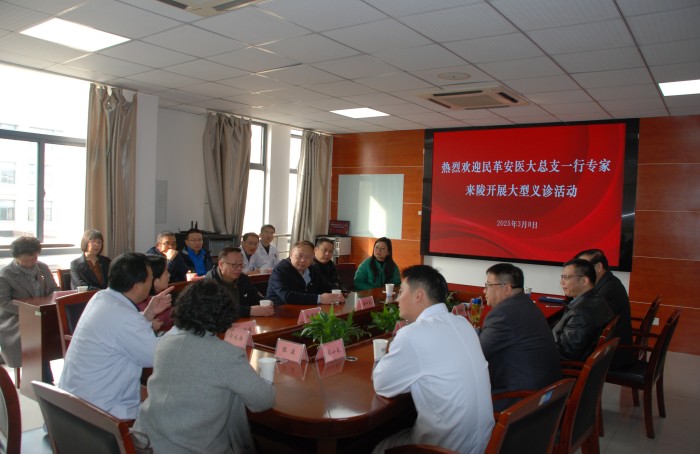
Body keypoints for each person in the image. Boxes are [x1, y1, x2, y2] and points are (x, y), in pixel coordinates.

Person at [133, 280, 275, 453]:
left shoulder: (165, 342)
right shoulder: (226, 354)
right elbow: (263, 400)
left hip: (146, 441)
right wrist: (267, 379)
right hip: (192, 448)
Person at [372, 265, 493, 453]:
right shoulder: (463, 323)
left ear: (418, 295)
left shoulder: (412, 334)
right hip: (482, 445)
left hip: (443, 449)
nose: (397, 299)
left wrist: (380, 359)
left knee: (378, 447)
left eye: (401, 292)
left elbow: (382, 384)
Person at [58, 253, 173, 419]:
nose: (151, 283)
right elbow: (157, 355)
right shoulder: (125, 318)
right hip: (101, 413)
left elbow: (120, 331)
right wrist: (185, 329)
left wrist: (148, 314)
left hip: (74, 400)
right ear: (137, 287)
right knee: (173, 414)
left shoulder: (101, 297)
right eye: (149, 279)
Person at [479, 263, 561, 411]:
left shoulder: (502, 314)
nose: (484, 290)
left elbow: (477, 354)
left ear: (507, 288)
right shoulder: (525, 303)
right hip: (546, 390)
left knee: (459, 400)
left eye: (488, 285)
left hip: (523, 399)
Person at [0, 237, 58, 371]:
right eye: (27, 259)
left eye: (35, 257)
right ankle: (39, 374)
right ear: (17, 257)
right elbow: (4, 302)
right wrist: (29, 310)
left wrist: (47, 302)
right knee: (35, 333)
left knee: (56, 328)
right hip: (16, 318)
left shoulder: (42, 267)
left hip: (42, 314)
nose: (32, 262)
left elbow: (54, 289)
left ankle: (44, 372)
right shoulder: (6, 274)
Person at [575, 249, 635, 369]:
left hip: (611, 355)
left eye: (584, 267)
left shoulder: (607, 290)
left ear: (598, 267)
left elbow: (587, 328)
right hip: (612, 348)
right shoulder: (609, 282)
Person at [552, 258, 614, 362]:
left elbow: (565, 353)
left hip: (561, 365)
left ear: (584, 281)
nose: (561, 282)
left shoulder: (581, 313)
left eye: (566, 277)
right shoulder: (596, 299)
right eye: (562, 277)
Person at [266, 241, 344, 305]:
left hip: (306, 310)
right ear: (291, 254)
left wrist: (337, 294)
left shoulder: (313, 269)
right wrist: (320, 298)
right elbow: (287, 296)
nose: (303, 260)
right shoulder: (280, 270)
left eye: (308, 257)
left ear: (313, 257)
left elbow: (324, 286)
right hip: (279, 312)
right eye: (299, 256)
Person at [205, 246, 274, 317]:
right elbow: (217, 309)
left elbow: (256, 298)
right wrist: (249, 311)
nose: (239, 269)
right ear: (221, 265)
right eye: (234, 265)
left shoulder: (243, 278)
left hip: (243, 321)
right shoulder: (209, 282)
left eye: (241, 265)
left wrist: (267, 303)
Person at [136, 255, 174, 332]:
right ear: (155, 280)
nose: (169, 275)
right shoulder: (140, 302)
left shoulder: (161, 295)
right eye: (166, 273)